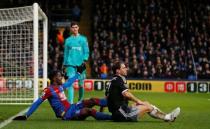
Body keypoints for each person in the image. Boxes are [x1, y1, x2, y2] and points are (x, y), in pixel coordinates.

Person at [13, 64, 111, 121]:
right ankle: (112, 117)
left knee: (92, 100)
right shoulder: (48, 90)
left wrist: (79, 73)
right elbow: (37, 102)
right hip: (67, 114)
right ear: (54, 78)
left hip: (72, 107)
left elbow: (69, 82)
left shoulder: (60, 86)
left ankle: (113, 104)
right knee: (89, 111)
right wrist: (27, 115)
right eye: (60, 76)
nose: (62, 77)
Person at [105, 61, 181, 122]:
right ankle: (168, 117)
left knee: (146, 103)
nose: (126, 69)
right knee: (146, 106)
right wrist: (138, 101)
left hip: (120, 112)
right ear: (118, 70)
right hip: (122, 114)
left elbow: (107, 97)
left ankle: (167, 116)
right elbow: (126, 94)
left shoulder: (113, 80)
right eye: (124, 68)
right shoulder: (118, 79)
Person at [63, 21, 89, 104]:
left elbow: (86, 51)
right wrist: (64, 64)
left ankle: (80, 101)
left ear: (78, 28)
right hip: (70, 64)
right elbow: (66, 53)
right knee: (70, 83)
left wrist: (84, 59)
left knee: (81, 85)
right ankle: (70, 103)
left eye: (76, 27)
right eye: (73, 27)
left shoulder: (83, 39)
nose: (74, 29)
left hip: (80, 64)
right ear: (71, 29)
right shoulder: (68, 40)